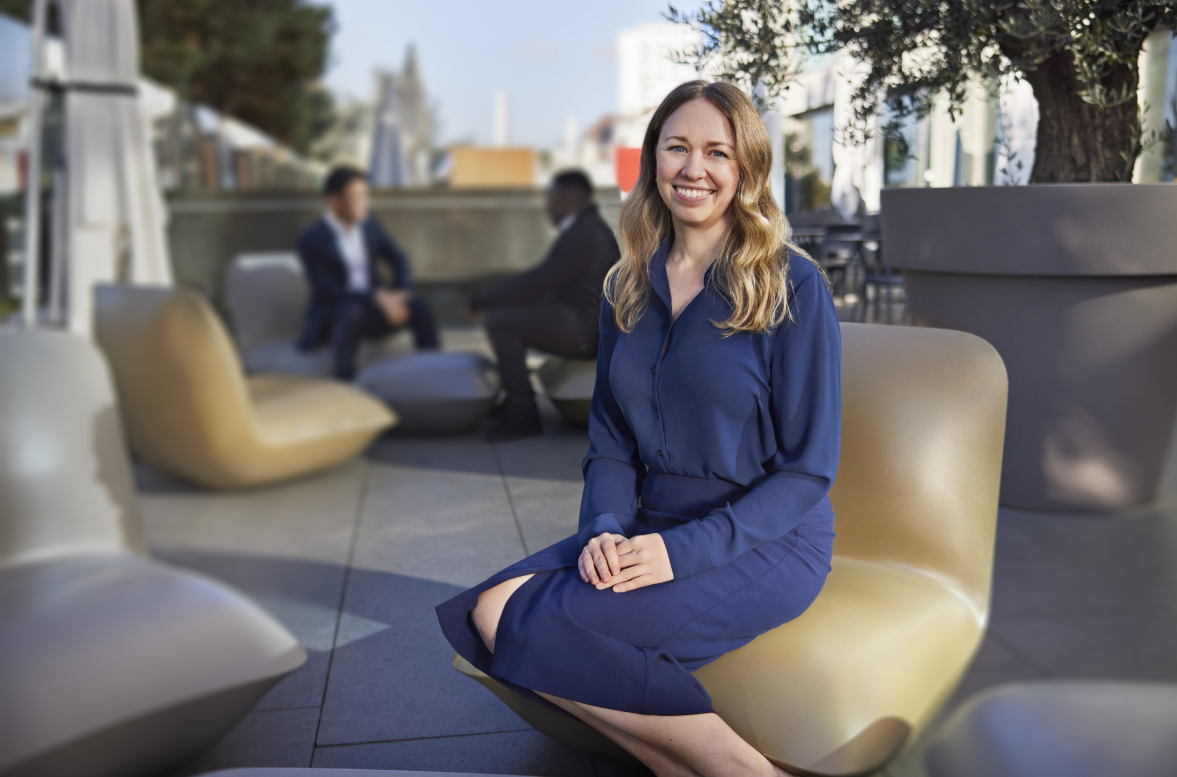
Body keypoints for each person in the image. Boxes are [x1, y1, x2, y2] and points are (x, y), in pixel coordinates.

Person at [436, 80, 840, 777]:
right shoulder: (624, 284)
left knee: (532, 625)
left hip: (762, 535)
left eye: (717, 152)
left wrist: (679, 554)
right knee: (489, 609)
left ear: (744, 169)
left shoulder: (790, 286)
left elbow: (807, 470)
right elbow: (610, 443)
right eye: (676, 146)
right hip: (645, 518)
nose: (693, 168)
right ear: (651, 158)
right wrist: (603, 526)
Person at [466, 170, 620, 442]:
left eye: (553, 199)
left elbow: (539, 281)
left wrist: (483, 300)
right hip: (585, 322)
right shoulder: (587, 228)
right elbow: (549, 283)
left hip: (585, 332)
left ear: (571, 199)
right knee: (508, 317)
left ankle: (522, 412)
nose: (549, 206)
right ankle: (516, 399)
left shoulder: (584, 235)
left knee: (500, 322)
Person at [296, 166, 440, 380]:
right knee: (350, 312)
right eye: (358, 196)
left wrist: (401, 292)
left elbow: (398, 257)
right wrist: (377, 296)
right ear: (335, 200)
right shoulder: (311, 240)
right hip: (333, 315)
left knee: (417, 305)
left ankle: (435, 371)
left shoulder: (369, 225)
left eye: (367, 195)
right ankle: (345, 380)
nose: (366, 203)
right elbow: (327, 290)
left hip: (372, 309)